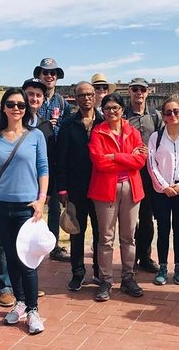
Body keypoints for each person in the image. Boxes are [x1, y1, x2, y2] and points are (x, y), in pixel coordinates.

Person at [0, 87, 48, 334]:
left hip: (26, 207)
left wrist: (41, 199)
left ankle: (33, 309)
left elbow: (43, 168)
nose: (16, 109)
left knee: (28, 261)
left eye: (21, 105)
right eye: (11, 104)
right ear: (3, 107)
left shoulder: (35, 136)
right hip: (1, 205)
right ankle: (20, 301)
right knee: (11, 257)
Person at [88, 93, 147, 302]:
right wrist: (127, 158)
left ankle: (128, 277)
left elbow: (140, 160)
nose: (111, 112)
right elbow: (99, 163)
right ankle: (105, 279)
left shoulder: (132, 131)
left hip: (131, 188)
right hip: (106, 189)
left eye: (115, 108)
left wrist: (114, 156)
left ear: (123, 110)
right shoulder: (98, 132)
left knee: (128, 236)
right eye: (107, 108)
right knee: (106, 237)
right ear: (102, 111)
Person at [57, 82, 104, 291]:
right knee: (77, 231)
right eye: (81, 95)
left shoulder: (103, 122)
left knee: (100, 232)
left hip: (100, 186)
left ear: (94, 97)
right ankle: (77, 272)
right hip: (76, 188)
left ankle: (98, 270)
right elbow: (61, 159)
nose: (86, 98)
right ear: (75, 98)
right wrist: (62, 188)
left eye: (89, 94)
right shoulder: (68, 124)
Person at [147, 96, 179, 285]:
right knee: (163, 229)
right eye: (168, 112)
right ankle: (162, 267)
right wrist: (164, 186)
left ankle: (178, 267)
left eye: (176, 111)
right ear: (164, 115)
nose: (173, 115)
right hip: (162, 191)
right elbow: (152, 165)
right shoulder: (156, 137)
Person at [33, 58, 71, 262]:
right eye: (46, 73)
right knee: (33, 204)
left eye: (53, 73)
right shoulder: (32, 97)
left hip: (55, 159)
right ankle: (32, 245)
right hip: (35, 159)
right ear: (39, 75)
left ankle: (54, 245)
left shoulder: (62, 103)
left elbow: (66, 129)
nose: (49, 76)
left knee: (55, 207)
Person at [125, 77, 163, 274]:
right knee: (128, 220)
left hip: (148, 174)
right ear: (129, 92)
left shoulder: (155, 117)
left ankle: (145, 256)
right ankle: (130, 258)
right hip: (128, 173)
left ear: (147, 92)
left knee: (146, 219)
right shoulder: (123, 115)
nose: (139, 93)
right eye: (135, 89)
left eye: (142, 90)